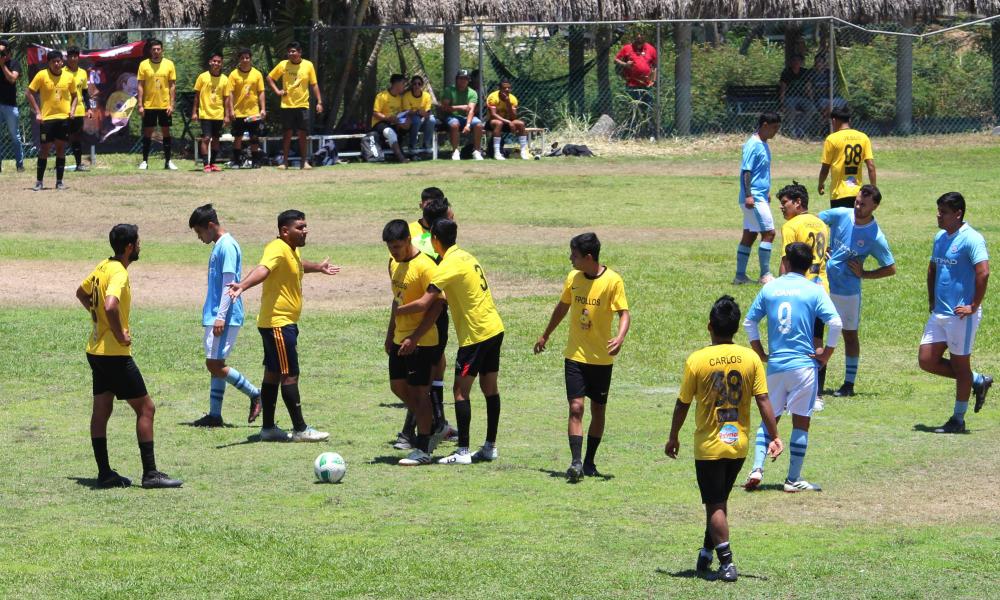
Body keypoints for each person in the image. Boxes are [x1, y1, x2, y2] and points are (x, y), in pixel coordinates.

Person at [665, 296, 783, 582]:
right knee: (718, 500)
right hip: (739, 444)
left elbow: (683, 403)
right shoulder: (750, 358)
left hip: (709, 446)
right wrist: (775, 435)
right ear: (734, 329)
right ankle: (707, 553)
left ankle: (727, 564)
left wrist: (673, 436)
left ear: (709, 326)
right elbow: (764, 399)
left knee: (715, 502)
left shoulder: (697, 360)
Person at [76, 224, 183, 489]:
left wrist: (98, 319)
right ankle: (150, 474)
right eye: (137, 242)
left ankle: (105, 474)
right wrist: (119, 333)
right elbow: (111, 305)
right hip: (114, 354)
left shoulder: (103, 266)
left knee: (102, 410)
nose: (139, 246)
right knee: (146, 408)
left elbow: (82, 293)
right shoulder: (119, 273)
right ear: (128, 247)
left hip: (95, 351)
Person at [395, 219, 504, 465]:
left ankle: (463, 451)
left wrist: (397, 311)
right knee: (490, 389)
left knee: (460, 392)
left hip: (475, 335)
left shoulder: (447, 264)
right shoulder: (467, 256)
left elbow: (425, 302)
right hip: (494, 328)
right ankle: (489, 447)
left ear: (434, 239)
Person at [228, 210, 338, 442]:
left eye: (306, 226)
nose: (305, 230)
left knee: (273, 374)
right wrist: (243, 286)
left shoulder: (290, 250)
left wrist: (318, 267)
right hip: (279, 323)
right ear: (284, 231)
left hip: (276, 323)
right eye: (300, 227)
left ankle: (268, 429)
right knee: (290, 375)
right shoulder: (276, 248)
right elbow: (264, 269)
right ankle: (300, 429)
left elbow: (296, 264)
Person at [743, 242, 843, 493]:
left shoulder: (770, 288)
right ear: (810, 266)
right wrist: (827, 353)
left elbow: (749, 323)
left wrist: (760, 352)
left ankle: (756, 468)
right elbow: (836, 323)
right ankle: (793, 479)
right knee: (801, 422)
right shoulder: (814, 290)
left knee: (769, 419)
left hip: (776, 365)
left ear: (785, 262)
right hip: (803, 367)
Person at [533, 233, 630, 482]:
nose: (570, 259)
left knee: (598, 411)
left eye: (573, 255)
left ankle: (589, 462)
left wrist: (619, 338)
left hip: (601, 360)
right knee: (576, 408)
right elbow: (562, 307)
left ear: (588, 257)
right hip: (575, 356)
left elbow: (624, 314)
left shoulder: (613, 281)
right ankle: (575, 462)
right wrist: (545, 335)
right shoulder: (573, 278)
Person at [919, 192, 993, 433]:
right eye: (938, 210)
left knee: (961, 367)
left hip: (962, 315)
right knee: (926, 360)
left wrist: (973, 305)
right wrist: (931, 299)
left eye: (944, 212)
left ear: (958, 213)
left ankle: (958, 420)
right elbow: (932, 269)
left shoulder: (972, 239)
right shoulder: (940, 237)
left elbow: (983, 272)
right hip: (939, 313)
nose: (938, 216)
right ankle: (977, 380)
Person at [818, 185, 896, 398]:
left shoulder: (875, 236)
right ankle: (814, 382)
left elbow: (891, 268)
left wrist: (864, 273)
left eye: (863, 204)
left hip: (847, 292)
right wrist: (822, 246)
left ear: (875, 206)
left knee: (849, 336)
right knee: (816, 332)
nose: (858, 206)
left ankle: (848, 385)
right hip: (823, 284)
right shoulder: (842, 214)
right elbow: (814, 222)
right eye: (857, 202)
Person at [188, 204, 262, 427]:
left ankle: (256, 394)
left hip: (224, 315)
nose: (199, 238)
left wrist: (220, 316)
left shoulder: (227, 246)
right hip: (218, 314)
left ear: (210, 226)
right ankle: (215, 415)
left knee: (214, 365)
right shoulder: (220, 245)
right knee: (216, 362)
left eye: (200, 232)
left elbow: (229, 285)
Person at [382, 219, 447, 465]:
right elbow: (396, 303)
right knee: (397, 386)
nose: (393, 252)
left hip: (422, 341)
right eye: (390, 247)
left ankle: (423, 448)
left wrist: (415, 337)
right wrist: (390, 334)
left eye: (397, 247)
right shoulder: (395, 264)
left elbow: (438, 306)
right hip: (400, 338)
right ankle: (432, 421)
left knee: (420, 393)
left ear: (409, 240)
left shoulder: (426, 267)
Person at [396, 188, 457, 449]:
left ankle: (435, 423)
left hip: (414, 312)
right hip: (431, 311)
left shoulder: (412, 236)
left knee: (434, 368)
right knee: (426, 375)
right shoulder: (434, 243)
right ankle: (412, 432)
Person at [777, 181, 832, 411]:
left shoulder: (791, 225)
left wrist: (781, 289)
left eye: (785, 203)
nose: (782, 208)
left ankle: (795, 394)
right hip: (821, 289)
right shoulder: (822, 224)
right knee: (817, 340)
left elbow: (786, 261)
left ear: (798, 202)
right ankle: (817, 395)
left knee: (794, 341)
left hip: (798, 290)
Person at [734, 112, 781, 285]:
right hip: (753, 197)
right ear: (765, 124)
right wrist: (748, 195)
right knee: (769, 233)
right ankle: (765, 275)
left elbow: (760, 171)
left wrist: (766, 189)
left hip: (760, 195)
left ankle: (740, 276)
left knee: (750, 234)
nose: (776, 131)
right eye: (774, 127)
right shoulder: (753, 144)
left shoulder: (764, 144)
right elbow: (746, 171)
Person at [26, 50, 78, 192]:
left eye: (59, 61)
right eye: (53, 61)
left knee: (61, 148)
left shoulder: (68, 76)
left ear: (62, 62)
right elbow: (29, 92)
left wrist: (72, 110)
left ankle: (59, 182)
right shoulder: (42, 75)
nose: (57, 64)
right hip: (47, 119)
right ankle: (39, 182)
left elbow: (75, 96)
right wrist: (37, 112)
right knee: (45, 149)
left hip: (63, 119)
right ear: (49, 63)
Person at [267, 41, 322, 170]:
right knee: (287, 134)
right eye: (290, 51)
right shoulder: (283, 65)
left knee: (303, 134)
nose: (292, 53)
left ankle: (304, 162)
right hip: (287, 105)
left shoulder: (308, 65)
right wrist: (277, 91)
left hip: (303, 105)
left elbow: (314, 84)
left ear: (300, 52)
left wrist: (319, 102)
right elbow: (270, 78)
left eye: (294, 51)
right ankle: (284, 162)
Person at [818, 107, 876, 209]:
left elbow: (825, 168)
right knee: (855, 223)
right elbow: (871, 166)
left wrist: (820, 183)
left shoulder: (832, 139)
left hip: (839, 193)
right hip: (857, 194)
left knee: (840, 224)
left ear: (834, 120)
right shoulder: (863, 137)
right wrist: (873, 188)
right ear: (849, 120)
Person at [136, 39, 177, 170]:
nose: (156, 52)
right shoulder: (143, 65)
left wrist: (172, 104)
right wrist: (140, 105)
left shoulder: (169, 64)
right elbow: (140, 86)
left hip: (165, 105)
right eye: (154, 49)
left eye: (158, 49)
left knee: (166, 132)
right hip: (149, 105)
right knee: (148, 133)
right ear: (150, 51)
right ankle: (144, 161)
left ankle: (168, 161)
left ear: (162, 50)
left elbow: (172, 86)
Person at [227, 48, 266, 168]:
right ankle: (237, 161)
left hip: (253, 112)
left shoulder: (257, 74)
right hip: (238, 112)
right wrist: (231, 110)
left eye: (247, 58)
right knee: (237, 137)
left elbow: (261, 92)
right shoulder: (233, 74)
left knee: (254, 137)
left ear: (250, 59)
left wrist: (263, 109)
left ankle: (256, 161)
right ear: (239, 59)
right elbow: (230, 94)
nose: (245, 60)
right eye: (243, 58)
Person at [191, 51, 230, 172]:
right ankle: (205, 164)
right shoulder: (202, 77)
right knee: (206, 138)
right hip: (205, 113)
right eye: (214, 61)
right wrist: (194, 112)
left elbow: (227, 98)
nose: (216, 63)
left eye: (219, 62)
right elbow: (196, 96)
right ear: (210, 62)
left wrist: (227, 115)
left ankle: (213, 163)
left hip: (218, 114)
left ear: (221, 64)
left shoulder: (224, 79)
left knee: (216, 139)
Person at [614, 33, 657, 133]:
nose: (639, 45)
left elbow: (654, 66)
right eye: (637, 41)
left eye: (641, 42)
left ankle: (648, 132)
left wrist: (653, 80)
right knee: (632, 109)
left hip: (646, 85)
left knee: (647, 109)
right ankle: (631, 131)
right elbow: (616, 60)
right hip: (631, 84)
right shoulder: (627, 48)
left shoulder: (651, 49)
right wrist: (625, 64)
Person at [440, 70, 483, 161]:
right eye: (461, 78)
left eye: (465, 79)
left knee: (478, 124)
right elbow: (444, 108)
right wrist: (461, 107)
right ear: (456, 79)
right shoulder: (449, 90)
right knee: (454, 124)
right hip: (452, 116)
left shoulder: (472, 93)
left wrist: (468, 125)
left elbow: (470, 110)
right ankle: (455, 151)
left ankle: (477, 151)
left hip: (466, 118)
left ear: (468, 80)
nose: (463, 81)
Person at [486, 79, 530, 160]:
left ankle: (523, 151)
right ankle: (497, 153)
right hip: (493, 123)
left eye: (509, 88)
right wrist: (508, 121)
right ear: (499, 88)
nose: (507, 90)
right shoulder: (493, 97)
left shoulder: (512, 99)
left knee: (521, 124)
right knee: (499, 123)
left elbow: (513, 117)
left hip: (508, 122)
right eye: (504, 88)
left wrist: (508, 102)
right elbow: (493, 115)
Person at [65, 47, 93, 172]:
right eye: (70, 56)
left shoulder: (82, 72)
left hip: (79, 110)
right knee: (61, 137)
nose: (72, 59)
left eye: (75, 56)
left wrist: (89, 108)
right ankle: (59, 163)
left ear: (78, 58)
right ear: (67, 58)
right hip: (64, 110)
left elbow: (85, 92)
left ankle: (78, 164)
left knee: (76, 137)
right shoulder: (62, 72)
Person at [371, 74, 408, 163]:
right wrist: (388, 118)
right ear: (396, 84)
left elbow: (401, 114)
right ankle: (401, 158)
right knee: (390, 133)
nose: (404, 86)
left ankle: (408, 153)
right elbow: (375, 113)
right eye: (403, 83)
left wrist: (403, 121)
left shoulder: (400, 98)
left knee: (406, 127)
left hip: (394, 122)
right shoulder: (382, 96)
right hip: (380, 123)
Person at [0, 38, 25, 172]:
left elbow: (12, 79)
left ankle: (19, 165)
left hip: (10, 105)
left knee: (15, 136)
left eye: (2, 51)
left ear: (8, 52)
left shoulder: (14, 63)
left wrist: (2, 65)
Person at [399, 75, 436, 159]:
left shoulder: (426, 96)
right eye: (415, 84)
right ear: (412, 85)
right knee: (416, 120)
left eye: (419, 84)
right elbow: (407, 112)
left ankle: (426, 145)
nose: (417, 86)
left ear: (422, 85)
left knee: (432, 120)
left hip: (423, 120)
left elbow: (428, 113)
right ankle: (413, 146)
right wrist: (418, 112)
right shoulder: (407, 96)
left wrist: (419, 113)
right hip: (410, 121)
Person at [778, 54, 814, 138]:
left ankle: (800, 129)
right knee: (791, 109)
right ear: (791, 62)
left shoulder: (805, 72)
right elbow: (783, 88)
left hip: (803, 97)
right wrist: (782, 103)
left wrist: (811, 100)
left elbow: (808, 87)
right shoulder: (786, 72)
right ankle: (792, 131)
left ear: (801, 62)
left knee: (812, 109)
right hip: (790, 97)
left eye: (798, 61)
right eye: (794, 61)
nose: (796, 63)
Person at [809, 53, 847, 121]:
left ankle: (825, 120)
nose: (818, 64)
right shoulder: (812, 73)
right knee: (828, 106)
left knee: (841, 103)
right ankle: (828, 123)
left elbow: (831, 88)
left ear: (824, 63)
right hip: (820, 98)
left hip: (832, 97)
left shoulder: (829, 73)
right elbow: (810, 88)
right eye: (817, 62)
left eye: (820, 62)